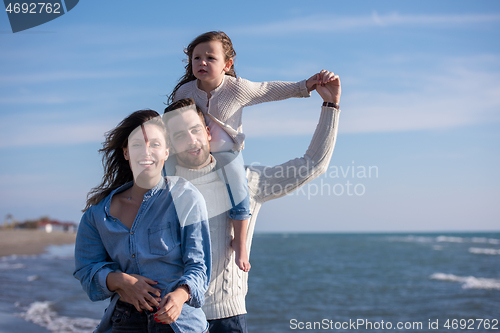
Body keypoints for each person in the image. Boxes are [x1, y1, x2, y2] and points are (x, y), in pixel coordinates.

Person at [163, 70, 341, 333]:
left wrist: (331, 105)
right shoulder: (161, 187)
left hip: (227, 318)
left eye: (195, 130)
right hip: (173, 317)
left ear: (209, 133)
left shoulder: (247, 180)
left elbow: (313, 164)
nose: (190, 140)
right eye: (179, 135)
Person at [167, 31, 337, 273]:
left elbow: (268, 89)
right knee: (166, 177)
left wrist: (305, 85)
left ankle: (240, 242)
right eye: (196, 58)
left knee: (239, 189)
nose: (202, 63)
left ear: (227, 64)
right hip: (195, 152)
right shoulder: (184, 92)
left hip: (226, 150)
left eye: (210, 58)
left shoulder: (237, 88)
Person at [74, 110, 211, 333]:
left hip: (179, 324)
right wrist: (120, 280)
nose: (146, 152)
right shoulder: (98, 214)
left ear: (167, 151)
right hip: (124, 322)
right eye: (137, 144)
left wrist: (179, 295)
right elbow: (86, 270)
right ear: (126, 152)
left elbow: (199, 266)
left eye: (155, 144)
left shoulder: (186, 197)